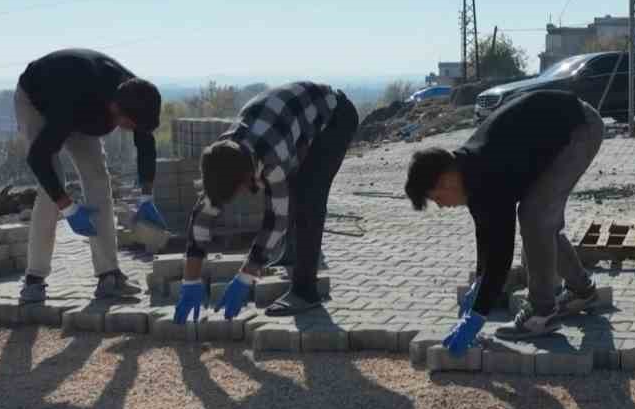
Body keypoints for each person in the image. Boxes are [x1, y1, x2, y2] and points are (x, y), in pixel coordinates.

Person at [404, 90, 605, 354]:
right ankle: (582, 291)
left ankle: (541, 312)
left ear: (445, 179)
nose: (441, 205)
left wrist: (477, 316)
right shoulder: (469, 171)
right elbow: (485, 234)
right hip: (557, 129)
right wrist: (479, 281)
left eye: (436, 197)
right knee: (543, 223)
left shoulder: (488, 173)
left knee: (535, 217)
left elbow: (501, 254)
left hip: (580, 128)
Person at [173, 82, 358, 322]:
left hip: (334, 118)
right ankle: (291, 253)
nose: (239, 195)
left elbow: (276, 221)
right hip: (290, 121)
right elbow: (203, 213)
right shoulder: (223, 155)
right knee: (294, 189)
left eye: (239, 189)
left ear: (249, 175)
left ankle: (305, 291)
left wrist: (245, 277)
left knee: (307, 197)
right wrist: (191, 280)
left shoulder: (272, 159)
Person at [14, 48, 164, 303]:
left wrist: (146, 197)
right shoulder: (71, 104)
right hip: (39, 99)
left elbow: (146, 144)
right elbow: (38, 159)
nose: (130, 131)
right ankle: (34, 280)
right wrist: (68, 207)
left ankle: (109, 276)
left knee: (97, 181)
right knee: (51, 189)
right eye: (129, 125)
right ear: (115, 110)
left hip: (83, 108)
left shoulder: (137, 96)